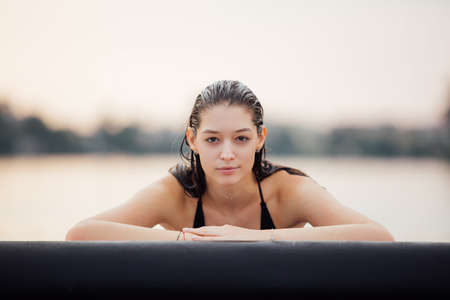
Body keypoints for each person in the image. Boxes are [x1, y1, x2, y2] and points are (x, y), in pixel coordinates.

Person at [65, 80, 394, 242]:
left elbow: (379, 236)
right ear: (192, 140)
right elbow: (81, 234)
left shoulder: (288, 190)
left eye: (241, 138)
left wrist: (254, 237)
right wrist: (186, 240)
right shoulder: (175, 192)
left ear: (260, 138)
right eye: (212, 139)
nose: (227, 154)